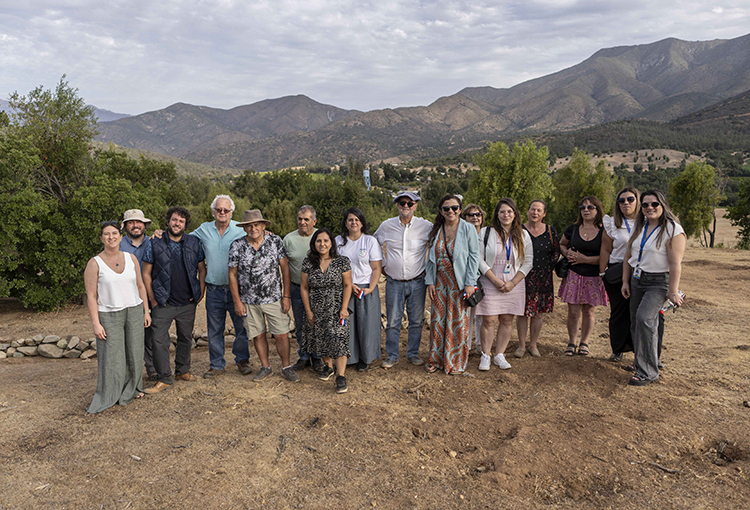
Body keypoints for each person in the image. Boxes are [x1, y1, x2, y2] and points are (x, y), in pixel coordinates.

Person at [84, 221, 151, 413]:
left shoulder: (131, 259)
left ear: (121, 237)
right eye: (106, 234)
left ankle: (133, 388)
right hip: (109, 313)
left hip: (134, 310)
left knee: (135, 352)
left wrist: (146, 310)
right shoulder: (94, 263)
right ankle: (110, 393)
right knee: (112, 356)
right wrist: (96, 323)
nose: (111, 237)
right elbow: (91, 296)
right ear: (101, 238)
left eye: (114, 233)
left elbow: (140, 286)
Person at [622, 190, 685, 386]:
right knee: (636, 322)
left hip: (658, 282)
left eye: (654, 204)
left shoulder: (673, 229)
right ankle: (644, 361)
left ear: (663, 205)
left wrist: (673, 291)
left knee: (645, 319)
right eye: (646, 205)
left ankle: (648, 372)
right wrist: (625, 281)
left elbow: (675, 264)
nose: (650, 208)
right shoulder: (639, 227)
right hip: (637, 279)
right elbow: (628, 257)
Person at [142, 207, 206, 394]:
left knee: (186, 338)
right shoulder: (154, 243)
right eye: (174, 220)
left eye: (181, 221)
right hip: (163, 302)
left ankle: (182, 371)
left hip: (187, 301)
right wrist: (153, 299)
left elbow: (202, 268)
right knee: (159, 340)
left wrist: (200, 290)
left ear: (185, 225)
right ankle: (164, 378)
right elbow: (146, 273)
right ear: (168, 221)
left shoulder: (194, 242)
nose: (177, 223)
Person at [228, 210, 298, 382]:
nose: (253, 228)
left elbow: (285, 269)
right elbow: (232, 275)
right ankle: (265, 366)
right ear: (244, 228)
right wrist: (237, 301)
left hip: (274, 298)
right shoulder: (236, 246)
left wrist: (286, 296)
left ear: (263, 225)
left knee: (281, 334)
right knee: (258, 334)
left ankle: (286, 366)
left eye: (256, 225)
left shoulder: (275, 241)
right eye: (249, 226)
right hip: (249, 301)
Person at [190, 195, 251, 379]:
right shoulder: (204, 229)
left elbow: (258, 237)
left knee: (241, 327)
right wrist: (162, 233)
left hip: (237, 290)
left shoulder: (241, 229)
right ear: (213, 212)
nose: (222, 212)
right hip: (214, 289)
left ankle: (242, 360)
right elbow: (184, 239)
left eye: (226, 210)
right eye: (218, 210)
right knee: (214, 329)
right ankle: (216, 364)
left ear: (231, 212)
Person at [374, 191, 433, 368]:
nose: (405, 206)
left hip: (418, 281)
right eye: (402, 203)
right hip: (393, 282)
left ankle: (412, 354)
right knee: (393, 321)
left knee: (416, 321)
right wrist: (382, 265)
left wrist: (429, 269)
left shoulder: (426, 226)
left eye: (409, 203)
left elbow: (438, 244)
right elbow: (374, 243)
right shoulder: (386, 226)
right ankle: (392, 355)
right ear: (397, 205)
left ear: (416, 205)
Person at [475, 198, 533, 371]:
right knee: (489, 319)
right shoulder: (486, 232)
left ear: (515, 214)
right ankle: (486, 355)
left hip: (514, 282)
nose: (506, 215)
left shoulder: (523, 235)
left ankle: (500, 355)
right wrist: (495, 280)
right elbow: (478, 258)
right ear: (497, 214)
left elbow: (528, 262)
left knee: (507, 320)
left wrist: (513, 283)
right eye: (502, 212)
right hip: (490, 279)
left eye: (509, 211)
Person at [424, 195, 480, 374]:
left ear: (460, 210)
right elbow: (431, 260)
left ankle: (454, 362)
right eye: (446, 208)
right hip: (440, 282)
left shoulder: (468, 229)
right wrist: (430, 281)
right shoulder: (436, 230)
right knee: (438, 321)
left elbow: (474, 257)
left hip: (460, 282)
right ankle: (436, 359)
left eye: (454, 208)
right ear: (441, 211)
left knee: (457, 322)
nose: (451, 211)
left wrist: (470, 283)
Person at [301, 228, 353, 393]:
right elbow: (303, 287)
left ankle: (341, 376)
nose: (322, 244)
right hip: (317, 310)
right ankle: (328, 367)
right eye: (318, 241)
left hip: (337, 309)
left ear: (331, 243)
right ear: (314, 243)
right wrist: (308, 311)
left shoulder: (341, 261)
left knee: (339, 339)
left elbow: (347, 285)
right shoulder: (308, 262)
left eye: (325, 241)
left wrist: (344, 308)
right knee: (321, 339)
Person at [558, 196, 609, 356]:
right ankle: (572, 342)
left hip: (594, 276)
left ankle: (584, 342)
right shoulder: (573, 228)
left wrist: (585, 259)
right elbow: (561, 244)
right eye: (583, 207)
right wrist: (568, 254)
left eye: (590, 207)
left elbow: (607, 256)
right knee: (573, 312)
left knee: (589, 312)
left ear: (598, 210)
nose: (586, 210)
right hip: (574, 275)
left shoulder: (604, 231)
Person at [335, 208, 383, 372]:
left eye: (357, 219)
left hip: (365, 289)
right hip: (345, 287)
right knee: (348, 326)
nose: (353, 222)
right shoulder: (338, 242)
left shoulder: (370, 241)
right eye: (350, 220)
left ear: (362, 222)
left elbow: (376, 268)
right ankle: (350, 357)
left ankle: (365, 357)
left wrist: (370, 288)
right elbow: (334, 266)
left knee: (366, 325)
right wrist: (348, 284)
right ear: (345, 223)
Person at [600, 188, 642, 362]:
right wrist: (602, 273)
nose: (626, 203)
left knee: (640, 313)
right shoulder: (612, 223)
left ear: (638, 201)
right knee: (619, 312)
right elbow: (605, 248)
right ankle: (618, 349)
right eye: (621, 200)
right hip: (616, 270)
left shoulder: (648, 221)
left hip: (641, 270)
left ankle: (642, 352)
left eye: (630, 199)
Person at [516, 200, 559, 358]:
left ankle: (533, 345)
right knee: (522, 312)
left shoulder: (550, 230)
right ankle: (521, 345)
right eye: (532, 209)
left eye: (539, 210)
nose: (535, 212)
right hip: (522, 276)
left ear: (544, 214)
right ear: (527, 211)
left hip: (543, 278)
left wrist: (548, 269)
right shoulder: (518, 230)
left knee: (538, 314)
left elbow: (556, 252)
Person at [284, 206, 323, 373]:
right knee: (301, 325)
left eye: (306, 219)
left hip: (319, 290)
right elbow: (284, 266)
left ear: (314, 221)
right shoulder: (288, 239)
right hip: (297, 288)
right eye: (300, 219)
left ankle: (319, 357)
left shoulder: (322, 237)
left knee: (319, 324)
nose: (302, 222)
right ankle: (304, 356)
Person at [119, 209, 156, 380]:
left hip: (149, 294)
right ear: (125, 225)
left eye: (139, 222)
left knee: (150, 334)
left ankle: (152, 368)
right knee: (128, 336)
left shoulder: (154, 242)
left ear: (145, 225)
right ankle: (129, 373)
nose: (136, 225)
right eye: (131, 222)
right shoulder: (118, 244)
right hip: (125, 296)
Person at [460, 204, 486, 354]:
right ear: (465, 218)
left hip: (486, 278)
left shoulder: (487, 235)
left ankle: (481, 345)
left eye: (478, 215)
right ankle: (466, 346)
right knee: (468, 313)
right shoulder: (461, 234)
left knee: (482, 314)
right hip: (468, 279)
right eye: (471, 215)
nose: (475, 217)